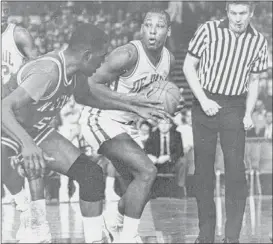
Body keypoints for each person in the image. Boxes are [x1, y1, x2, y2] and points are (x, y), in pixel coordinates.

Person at [2, 23, 168, 243]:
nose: (102, 63)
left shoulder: (76, 71)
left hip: (33, 130)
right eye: (101, 57)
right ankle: (32, 223)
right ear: (87, 55)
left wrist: (132, 105)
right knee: (15, 172)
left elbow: (86, 98)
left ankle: (93, 239)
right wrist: (27, 144)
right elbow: (4, 108)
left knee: (91, 175)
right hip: (7, 125)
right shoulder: (48, 72)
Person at [78, 8, 175, 243]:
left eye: (159, 26)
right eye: (147, 25)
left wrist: (161, 109)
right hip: (100, 118)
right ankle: (128, 237)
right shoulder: (127, 54)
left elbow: (151, 95)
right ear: (141, 28)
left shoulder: (168, 60)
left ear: (168, 31)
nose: (152, 31)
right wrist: (132, 103)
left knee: (139, 189)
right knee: (147, 171)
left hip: (125, 125)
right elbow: (88, 84)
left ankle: (115, 222)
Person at [183, 1, 268, 243]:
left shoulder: (259, 41)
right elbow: (189, 66)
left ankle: (232, 236)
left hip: (234, 105)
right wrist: (203, 99)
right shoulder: (208, 30)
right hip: (204, 102)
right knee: (203, 173)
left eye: (243, 13)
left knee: (235, 172)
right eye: (233, 13)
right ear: (226, 12)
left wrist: (248, 113)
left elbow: (254, 81)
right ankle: (205, 234)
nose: (238, 18)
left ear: (251, 13)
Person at [1, 1, 39, 241]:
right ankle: (23, 202)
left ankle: (27, 208)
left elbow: (42, 68)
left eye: (5, 10)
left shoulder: (18, 34)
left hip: (13, 107)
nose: (3, 15)